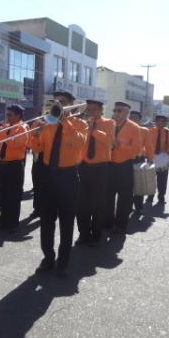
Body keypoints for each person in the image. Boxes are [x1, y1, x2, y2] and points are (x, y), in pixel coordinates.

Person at [30, 91, 88, 276]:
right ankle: (48, 258)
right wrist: (35, 134)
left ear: (71, 104)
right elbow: (37, 149)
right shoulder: (48, 123)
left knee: (66, 222)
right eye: (56, 102)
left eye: (62, 102)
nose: (58, 105)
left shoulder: (80, 124)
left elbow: (78, 143)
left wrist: (65, 121)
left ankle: (63, 261)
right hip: (48, 175)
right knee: (46, 220)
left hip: (68, 176)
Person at [76, 99, 114, 246]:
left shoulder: (109, 123)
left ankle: (96, 233)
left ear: (100, 111)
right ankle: (83, 234)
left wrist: (93, 130)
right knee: (82, 204)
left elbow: (109, 141)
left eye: (93, 109)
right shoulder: (81, 123)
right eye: (88, 109)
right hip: (84, 166)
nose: (90, 112)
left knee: (99, 203)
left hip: (101, 167)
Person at [0, 104, 28, 233]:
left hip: (15, 166)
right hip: (3, 164)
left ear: (18, 115)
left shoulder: (23, 128)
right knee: (2, 195)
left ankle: (12, 223)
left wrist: (2, 132)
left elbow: (16, 143)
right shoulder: (6, 127)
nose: (7, 117)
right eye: (7, 114)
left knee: (13, 196)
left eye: (10, 115)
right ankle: (3, 221)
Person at [104, 101, 141, 235]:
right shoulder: (109, 124)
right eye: (115, 110)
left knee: (124, 198)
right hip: (109, 164)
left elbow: (136, 150)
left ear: (127, 113)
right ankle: (107, 222)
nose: (116, 113)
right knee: (107, 196)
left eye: (119, 111)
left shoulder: (134, 127)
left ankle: (121, 225)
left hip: (125, 166)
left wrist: (119, 145)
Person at [147, 115, 169, 205]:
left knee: (163, 180)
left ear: (166, 123)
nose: (161, 123)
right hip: (151, 159)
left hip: (163, 160)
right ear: (155, 122)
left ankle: (161, 197)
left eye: (164, 121)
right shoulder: (149, 131)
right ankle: (150, 196)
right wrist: (147, 155)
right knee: (150, 179)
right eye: (159, 121)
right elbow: (145, 145)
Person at [129, 110, 154, 215]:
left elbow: (149, 146)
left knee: (139, 183)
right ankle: (127, 206)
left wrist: (150, 159)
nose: (132, 119)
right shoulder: (123, 129)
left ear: (139, 120)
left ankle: (139, 206)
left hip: (139, 160)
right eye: (131, 117)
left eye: (135, 118)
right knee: (127, 185)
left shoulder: (144, 130)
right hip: (125, 161)